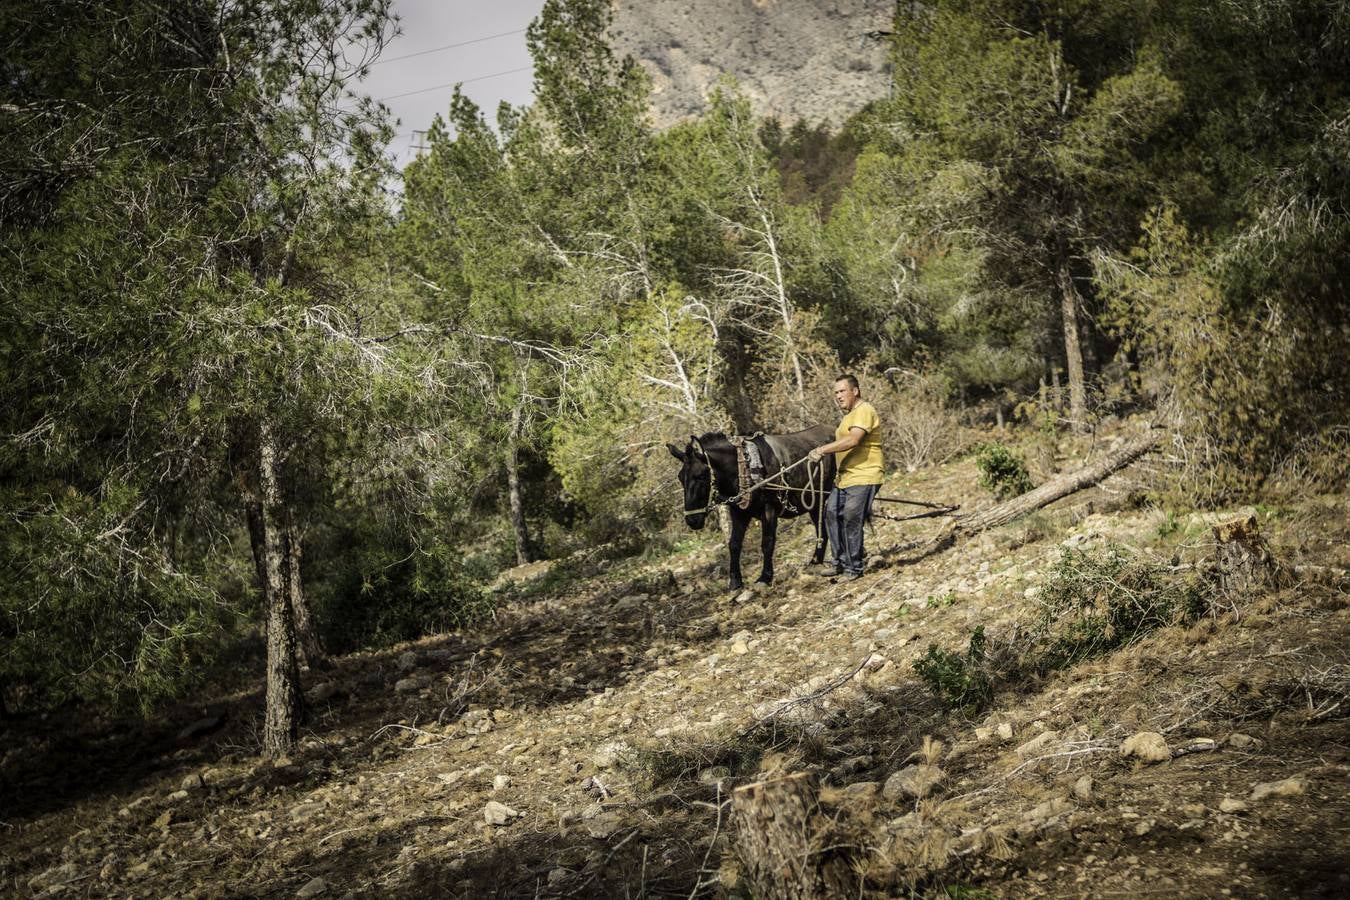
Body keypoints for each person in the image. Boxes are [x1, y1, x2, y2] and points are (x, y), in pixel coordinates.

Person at [808, 374, 884, 581]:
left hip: (865, 475)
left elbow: (853, 440)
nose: (838, 396)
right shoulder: (848, 416)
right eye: (835, 393)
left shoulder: (864, 410)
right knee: (831, 513)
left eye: (842, 391)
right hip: (845, 478)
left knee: (851, 518)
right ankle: (839, 562)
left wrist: (822, 450)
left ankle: (854, 568)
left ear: (855, 391)